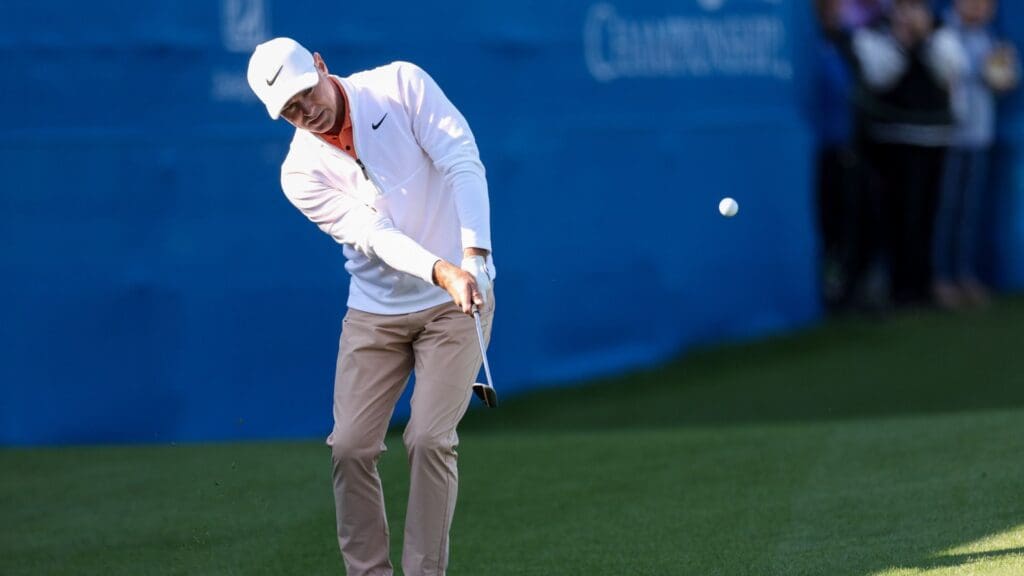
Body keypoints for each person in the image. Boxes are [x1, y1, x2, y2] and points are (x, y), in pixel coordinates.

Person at [246, 37, 496, 576]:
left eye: (306, 93)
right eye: (289, 110)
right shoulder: (299, 174)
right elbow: (374, 234)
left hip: (456, 301)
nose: (306, 111)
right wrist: (441, 269)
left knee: (428, 439)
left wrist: (473, 257)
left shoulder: (400, 85)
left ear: (320, 65)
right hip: (376, 310)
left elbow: (461, 159)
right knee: (350, 448)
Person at [850, 0, 967, 306]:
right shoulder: (874, 33)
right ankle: (897, 287)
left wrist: (925, 38)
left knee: (929, 215)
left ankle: (922, 284)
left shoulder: (941, 33)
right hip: (891, 141)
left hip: (935, 138)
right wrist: (901, 41)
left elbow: (950, 70)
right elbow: (880, 76)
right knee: (897, 215)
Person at [932, 0, 1019, 308]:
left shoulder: (991, 40)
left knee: (969, 211)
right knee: (947, 209)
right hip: (949, 136)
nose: (977, 7)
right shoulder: (943, 34)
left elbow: (1003, 82)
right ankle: (941, 277)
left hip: (979, 136)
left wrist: (1003, 72)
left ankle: (963, 274)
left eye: (984, 3)